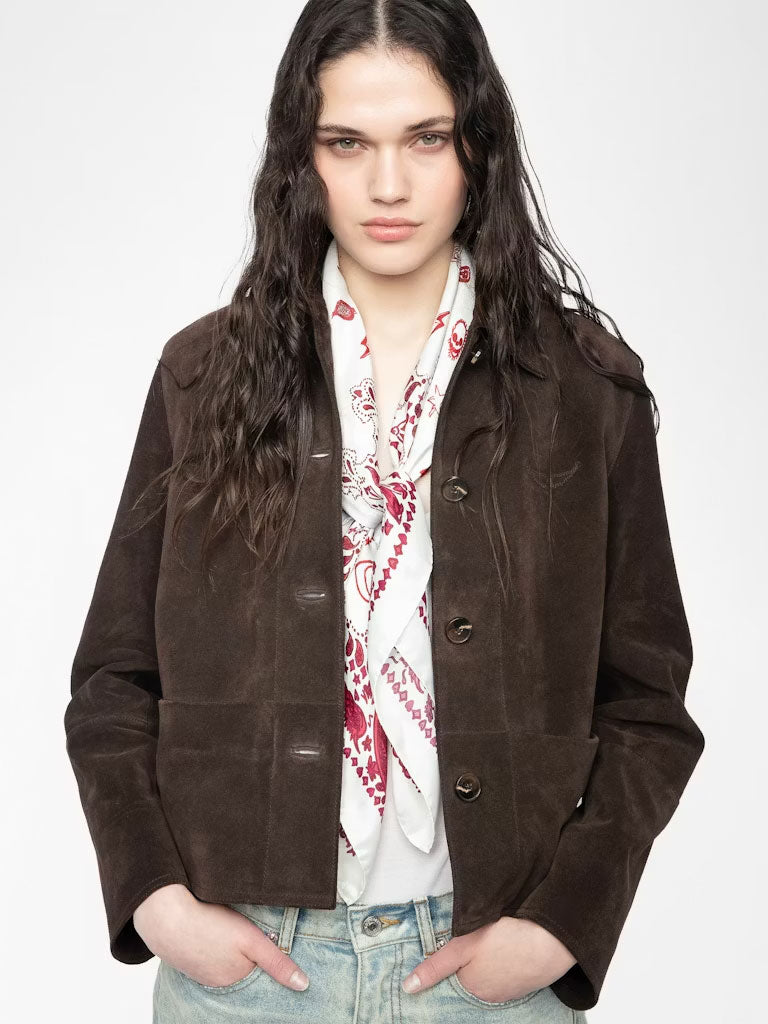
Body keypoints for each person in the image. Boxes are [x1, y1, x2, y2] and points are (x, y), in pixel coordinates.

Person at [64, 1, 705, 1021]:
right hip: (248, 968)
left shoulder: (586, 390)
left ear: (478, 146)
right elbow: (112, 681)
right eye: (347, 143)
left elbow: (647, 704)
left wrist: (562, 923)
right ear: (301, 157)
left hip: (487, 968)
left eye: (427, 137)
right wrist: (156, 901)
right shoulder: (205, 374)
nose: (389, 184)